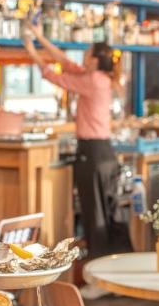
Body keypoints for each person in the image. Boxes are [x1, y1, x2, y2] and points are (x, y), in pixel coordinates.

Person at [23, 24, 129, 258]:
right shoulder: (98, 77)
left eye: (88, 51)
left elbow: (55, 76)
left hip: (92, 152)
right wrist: (39, 35)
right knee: (107, 213)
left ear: (94, 60)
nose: (83, 54)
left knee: (95, 215)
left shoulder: (92, 80)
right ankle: (109, 268)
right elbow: (63, 60)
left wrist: (31, 50)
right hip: (103, 153)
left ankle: (97, 270)